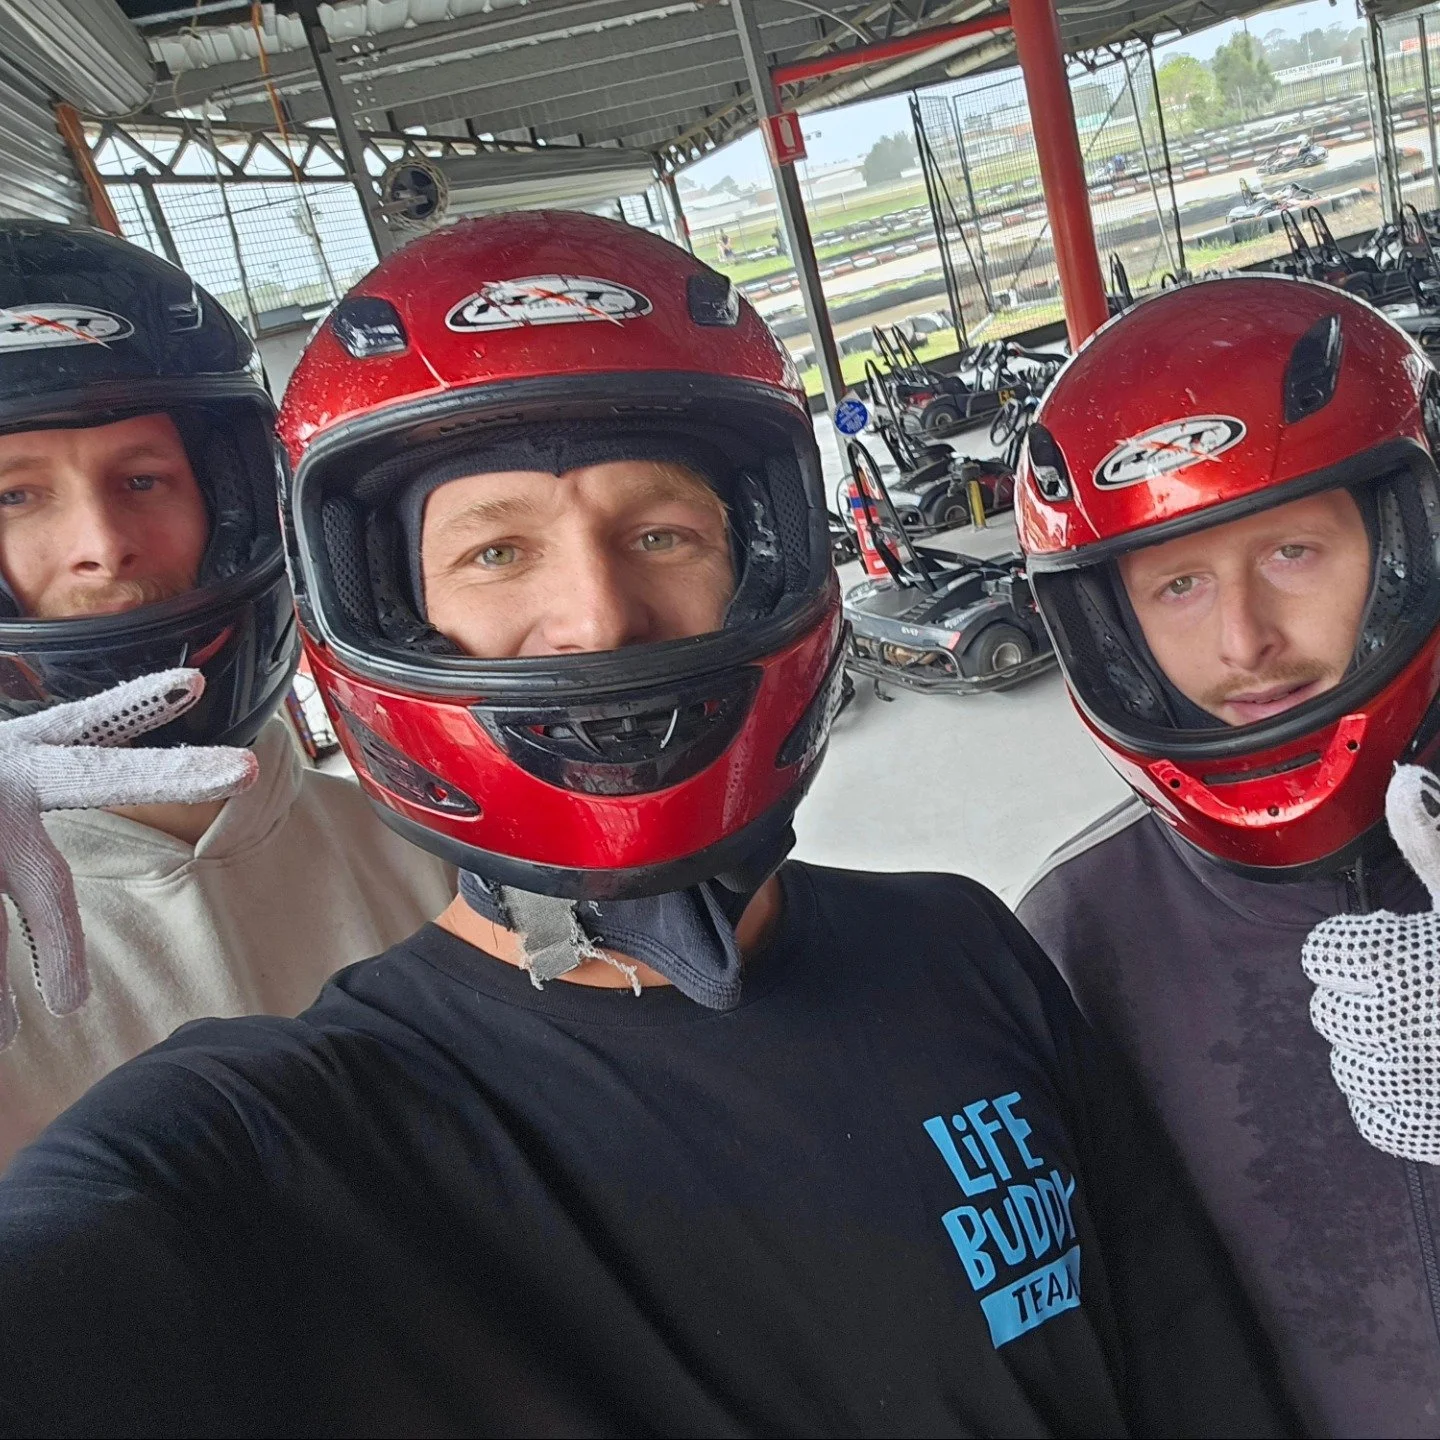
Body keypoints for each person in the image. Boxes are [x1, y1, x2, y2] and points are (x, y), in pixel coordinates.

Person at [0, 215, 1294, 1437]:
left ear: (761, 562)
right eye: (497, 553)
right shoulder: (297, 1127)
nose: (599, 618)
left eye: (661, 531)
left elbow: (1189, 1356)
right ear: (392, 618)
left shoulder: (963, 946)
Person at [1014, 274, 1440, 1435]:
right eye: (1180, 585)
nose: (1244, 638)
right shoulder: (1075, 928)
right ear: (1118, 631)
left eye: (1294, 551)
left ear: (1403, 543)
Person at [0, 220, 454, 1164]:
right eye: (16, 495)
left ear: (231, 502)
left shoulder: (424, 842)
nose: (103, 544)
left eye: (142, 477)